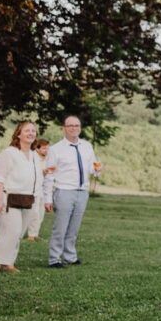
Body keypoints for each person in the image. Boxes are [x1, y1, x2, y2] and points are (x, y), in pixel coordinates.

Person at [43, 115, 98, 268]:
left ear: (80, 128)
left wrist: (97, 170)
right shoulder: (55, 149)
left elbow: (93, 168)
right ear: (64, 128)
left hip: (82, 191)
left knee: (74, 227)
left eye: (76, 125)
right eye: (70, 126)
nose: (74, 128)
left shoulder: (87, 146)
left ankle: (70, 256)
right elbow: (49, 175)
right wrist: (47, 198)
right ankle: (54, 258)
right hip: (64, 191)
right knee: (60, 227)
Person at [0, 121, 43, 277]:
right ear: (18, 134)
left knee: (18, 232)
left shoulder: (34, 155)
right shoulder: (9, 153)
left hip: (27, 199)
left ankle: (9, 263)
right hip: (6, 196)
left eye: (33, 131)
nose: (31, 133)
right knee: (11, 231)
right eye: (27, 130)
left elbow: (33, 177)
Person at [22, 138, 51, 242]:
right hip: (32, 189)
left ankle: (35, 234)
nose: (46, 150)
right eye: (44, 148)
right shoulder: (31, 157)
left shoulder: (48, 159)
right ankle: (30, 235)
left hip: (43, 189)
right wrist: (41, 173)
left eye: (47, 148)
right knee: (34, 213)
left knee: (41, 213)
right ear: (37, 149)